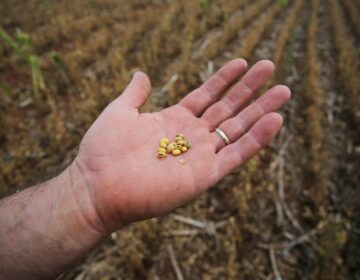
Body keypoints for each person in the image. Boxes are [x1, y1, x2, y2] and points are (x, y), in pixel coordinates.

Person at [0, 59, 291, 280]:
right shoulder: (169, 149)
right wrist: (85, 193)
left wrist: (82, 197)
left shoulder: (174, 147)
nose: (172, 149)